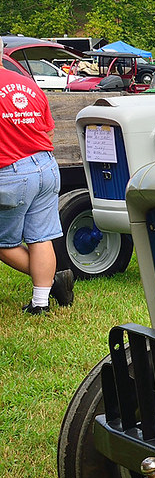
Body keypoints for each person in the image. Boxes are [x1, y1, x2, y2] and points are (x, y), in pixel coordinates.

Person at [0, 39, 74, 313]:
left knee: (3, 243)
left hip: (11, 173)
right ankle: (40, 303)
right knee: (40, 237)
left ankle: (53, 281)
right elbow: (49, 131)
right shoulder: (28, 84)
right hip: (46, 167)